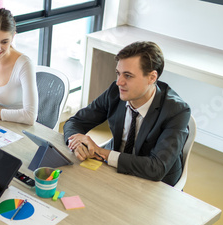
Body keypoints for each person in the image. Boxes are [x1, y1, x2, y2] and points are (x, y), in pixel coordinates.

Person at [63, 41, 190, 186]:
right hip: (116, 171)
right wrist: (76, 143)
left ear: (152, 77)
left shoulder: (176, 111)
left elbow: (156, 168)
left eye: (128, 76)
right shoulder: (115, 92)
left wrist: (100, 152)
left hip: (157, 184)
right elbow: (75, 122)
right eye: (118, 73)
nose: (119, 82)